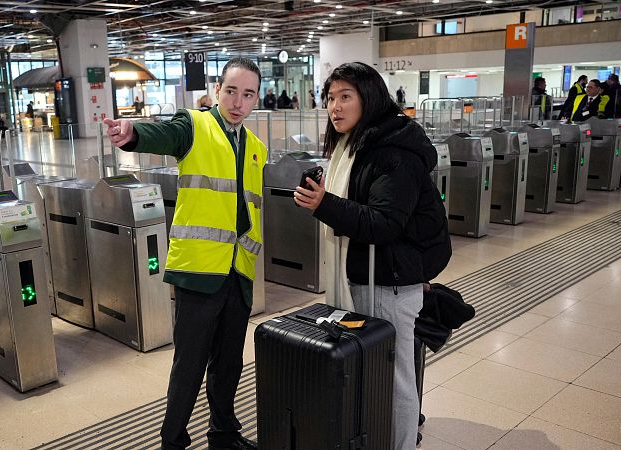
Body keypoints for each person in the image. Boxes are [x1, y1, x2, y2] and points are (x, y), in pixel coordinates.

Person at [103, 57, 265, 450]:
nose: (238, 102)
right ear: (216, 90)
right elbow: (164, 135)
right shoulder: (195, 125)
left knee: (228, 365)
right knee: (189, 366)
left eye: (248, 94)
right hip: (198, 272)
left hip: (238, 272)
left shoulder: (256, 147)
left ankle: (224, 434)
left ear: (256, 98)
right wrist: (132, 133)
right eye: (231, 91)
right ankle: (172, 441)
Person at [294, 62, 449, 450]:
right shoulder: (356, 146)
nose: (335, 107)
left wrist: (323, 205)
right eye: (331, 98)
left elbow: (384, 224)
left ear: (370, 98)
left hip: (389, 282)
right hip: (368, 273)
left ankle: (399, 444)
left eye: (346, 97)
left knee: (394, 376)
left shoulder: (392, 152)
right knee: (377, 369)